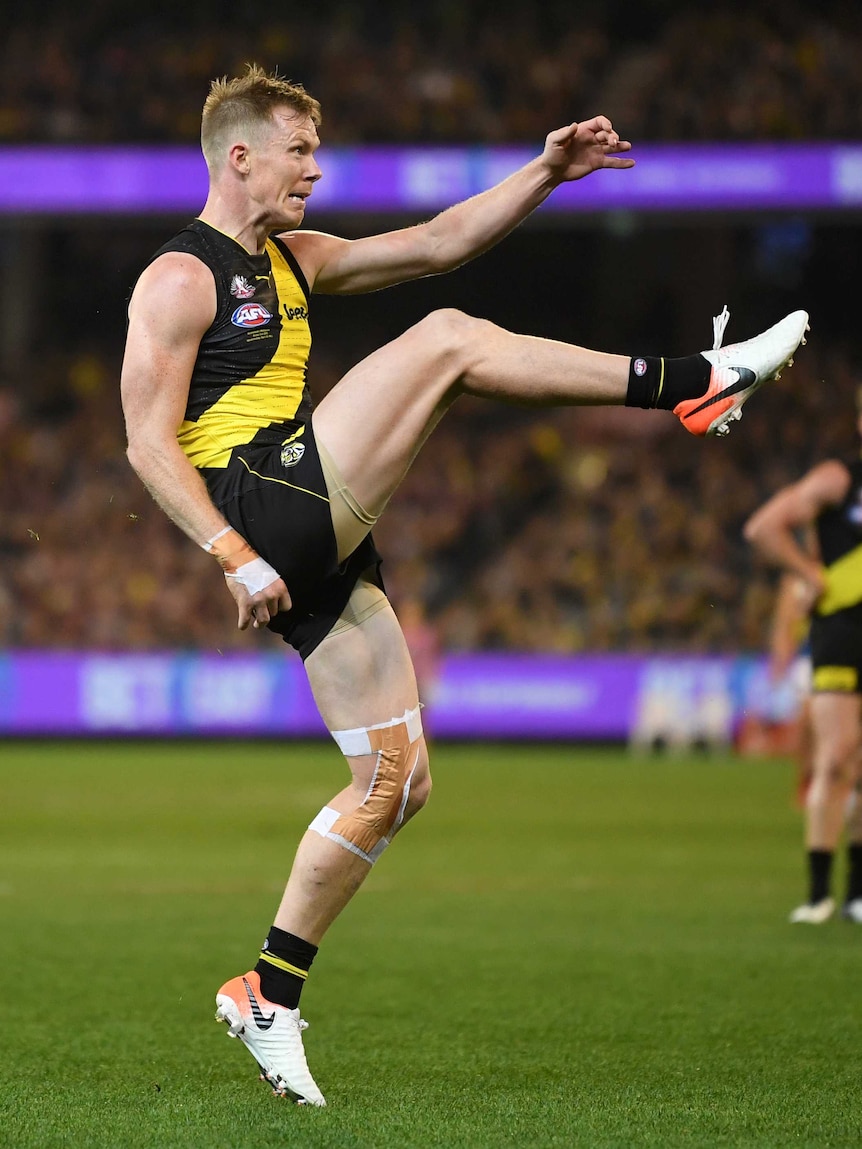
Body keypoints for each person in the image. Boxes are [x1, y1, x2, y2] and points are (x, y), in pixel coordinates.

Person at [120, 64, 809, 1105]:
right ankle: (696, 385)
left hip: (309, 531)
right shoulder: (180, 276)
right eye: (300, 149)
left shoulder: (296, 260)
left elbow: (438, 244)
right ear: (240, 156)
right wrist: (232, 551)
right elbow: (143, 443)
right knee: (447, 342)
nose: (316, 166)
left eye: (318, 148)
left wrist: (544, 172)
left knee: (395, 784)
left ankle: (269, 991)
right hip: (261, 504)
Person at [744, 401, 862, 926]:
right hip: (843, 632)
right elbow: (764, 528)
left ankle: (857, 896)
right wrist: (810, 576)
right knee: (836, 759)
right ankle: (819, 894)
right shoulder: (840, 479)